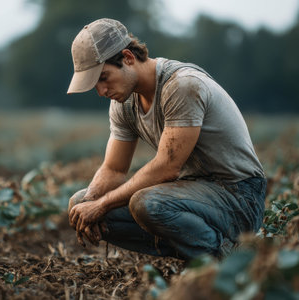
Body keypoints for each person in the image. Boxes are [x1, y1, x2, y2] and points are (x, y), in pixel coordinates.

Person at [66, 18, 266, 261]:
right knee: (80, 203)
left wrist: (101, 205)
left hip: (238, 196)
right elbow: (113, 169)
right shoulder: (124, 102)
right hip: (191, 194)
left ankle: (229, 259)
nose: (101, 91)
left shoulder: (182, 86)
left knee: (146, 203)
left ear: (128, 58)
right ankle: (198, 249)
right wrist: (90, 205)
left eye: (104, 77)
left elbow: (167, 167)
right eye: (95, 84)